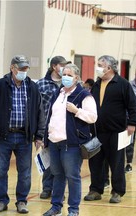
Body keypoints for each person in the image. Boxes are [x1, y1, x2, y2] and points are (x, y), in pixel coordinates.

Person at [0, 55, 45, 214]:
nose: (24, 71)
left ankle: (22, 201)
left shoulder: (32, 87)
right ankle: (1, 201)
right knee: (0, 172)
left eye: (26, 68)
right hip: (3, 136)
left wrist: (39, 135)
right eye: (21, 68)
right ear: (12, 68)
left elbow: (40, 112)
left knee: (25, 172)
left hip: (25, 137)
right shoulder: (0, 86)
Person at [42, 63, 97, 216]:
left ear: (77, 78)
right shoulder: (57, 93)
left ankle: (73, 209)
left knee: (72, 177)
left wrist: (77, 111)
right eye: (64, 74)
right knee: (57, 176)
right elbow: (50, 117)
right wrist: (45, 139)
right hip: (54, 142)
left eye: (69, 75)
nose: (65, 77)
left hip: (72, 144)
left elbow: (93, 117)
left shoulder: (84, 95)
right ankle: (56, 207)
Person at [84, 55, 136, 204]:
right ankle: (96, 189)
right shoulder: (96, 84)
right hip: (96, 131)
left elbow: (133, 105)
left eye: (100, 65)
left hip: (117, 131)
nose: (98, 67)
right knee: (95, 161)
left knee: (116, 162)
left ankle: (117, 191)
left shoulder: (122, 84)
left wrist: (132, 123)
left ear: (109, 68)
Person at [36, 55, 69, 199]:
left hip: (64, 128)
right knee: (48, 159)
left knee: (63, 161)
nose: (64, 68)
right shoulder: (41, 84)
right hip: (46, 128)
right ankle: (47, 187)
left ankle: (59, 190)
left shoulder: (69, 83)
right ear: (54, 66)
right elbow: (36, 108)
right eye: (61, 65)